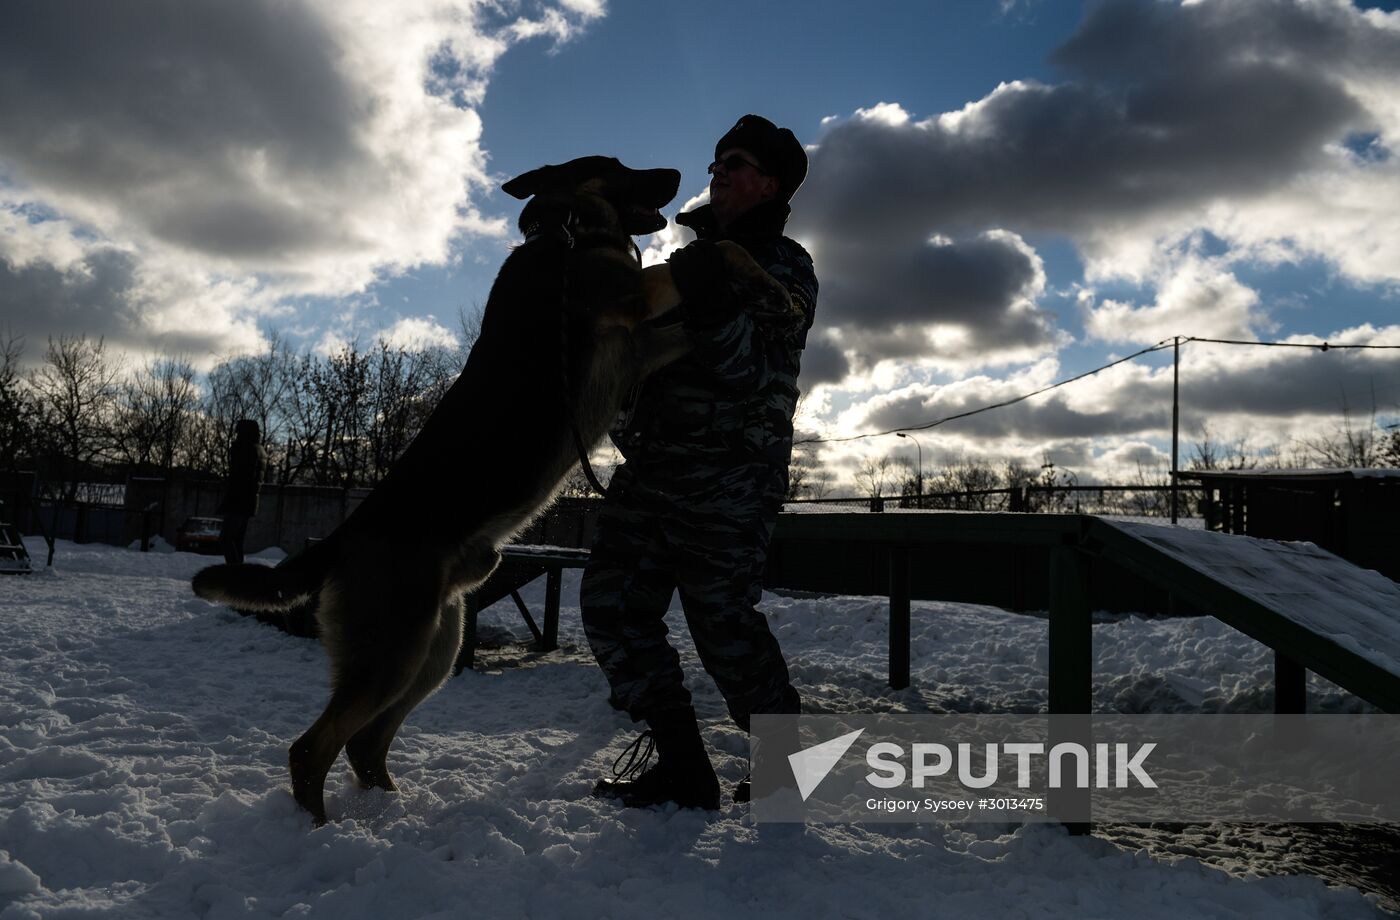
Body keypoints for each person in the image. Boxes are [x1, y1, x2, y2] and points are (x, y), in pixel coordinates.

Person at [583, 115, 818, 809]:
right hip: (652, 473)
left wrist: (710, 292)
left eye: (735, 162)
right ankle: (683, 765)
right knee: (613, 611)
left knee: (723, 626)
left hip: (729, 480)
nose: (717, 172)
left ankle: (786, 769)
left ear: (770, 184)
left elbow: (746, 370)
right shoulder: (686, 262)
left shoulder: (786, 268)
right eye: (715, 161)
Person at [218, 419, 266, 565]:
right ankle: (238, 571)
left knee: (226, 538)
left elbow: (240, 477)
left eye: (239, 432)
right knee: (236, 540)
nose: (237, 434)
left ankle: (235, 572)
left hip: (238, 500)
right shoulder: (258, 449)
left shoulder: (246, 449)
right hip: (247, 501)